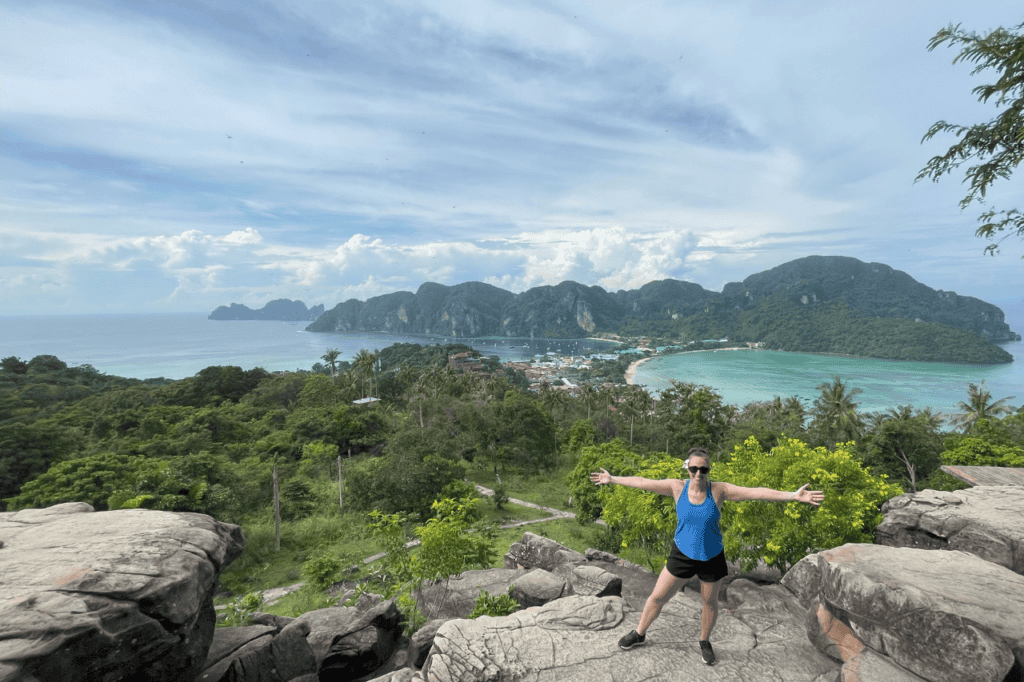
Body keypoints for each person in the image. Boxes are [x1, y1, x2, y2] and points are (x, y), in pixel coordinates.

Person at [590, 447, 824, 666]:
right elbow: (642, 482)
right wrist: (613, 479)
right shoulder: (676, 487)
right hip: (682, 554)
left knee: (709, 602)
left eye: (704, 469)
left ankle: (704, 641)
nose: (699, 473)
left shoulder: (719, 490)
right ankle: (639, 633)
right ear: (687, 468)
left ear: (708, 470)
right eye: (694, 469)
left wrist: (793, 496)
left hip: (711, 556)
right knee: (657, 597)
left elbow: (756, 492)